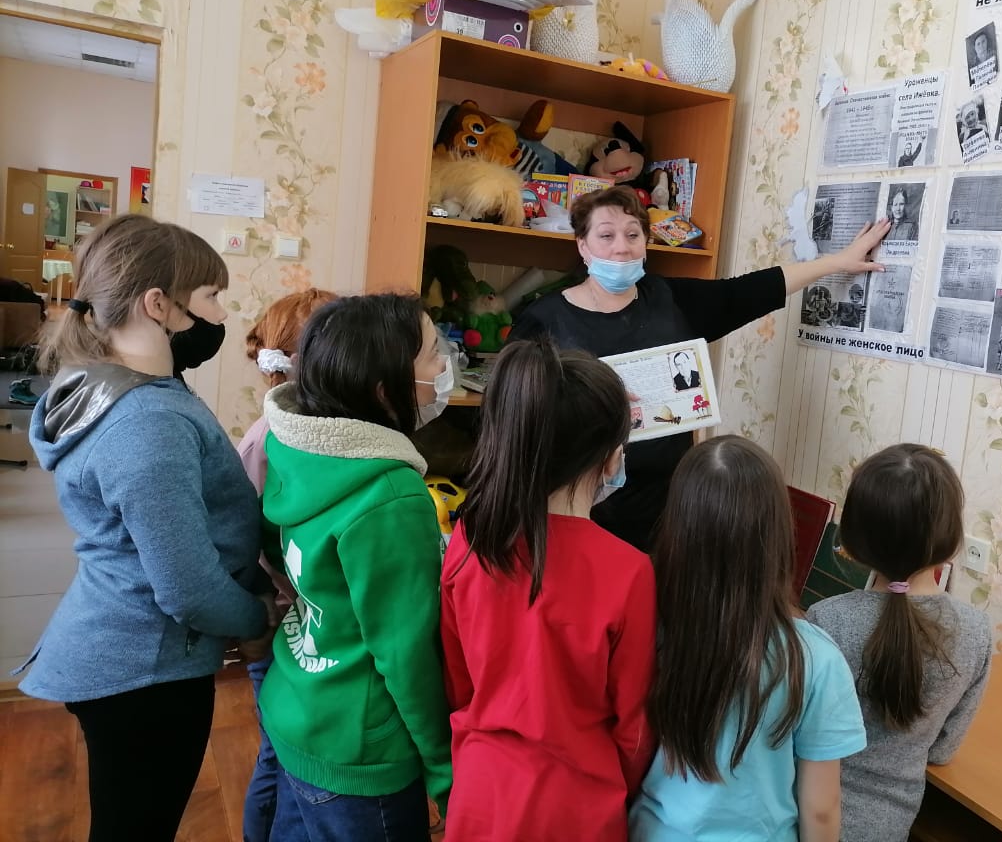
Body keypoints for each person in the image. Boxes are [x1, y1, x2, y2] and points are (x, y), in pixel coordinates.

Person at [22, 214, 277, 842]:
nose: (222, 312)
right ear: (158, 304)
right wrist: (257, 618)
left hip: (128, 651)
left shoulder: (111, 387)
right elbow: (188, 586)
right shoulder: (147, 421)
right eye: (211, 296)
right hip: (141, 668)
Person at [510, 186, 890, 550]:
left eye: (633, 234)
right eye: (606, 235)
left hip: (666, 508)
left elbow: (750, 291)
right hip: (574, 508)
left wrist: (837, 262)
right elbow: (514, 413)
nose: (622, 247)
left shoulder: (669, 299)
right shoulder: (544, 320)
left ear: (646, 242)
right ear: (583, 246)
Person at [439, 338, 657, 841]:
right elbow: (634, 728)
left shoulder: (469, 540)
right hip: (578, 807)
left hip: (480, 792)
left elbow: (458, 681)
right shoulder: (630, 571)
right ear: (610, 458)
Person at [258, 293, 455, 841]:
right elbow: (406, 655)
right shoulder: (390, 493)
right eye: (433, 353)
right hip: (360, 748)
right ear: (385, 390)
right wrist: (445, 772)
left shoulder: (295, 446)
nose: (445, 365)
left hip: (296, 702)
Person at [631, 436, 866, 841]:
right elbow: (821, 809)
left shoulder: (643, 628)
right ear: (778, 534)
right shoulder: (817, 658)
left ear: (677, 527)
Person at [808, 444, 991, 842]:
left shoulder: (826, 621)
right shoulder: (977, 632)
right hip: (891, 827)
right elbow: (942, 752)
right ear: (951, 539)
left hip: (810, 819)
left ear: (853, 539)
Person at [235, 287, 338, 842]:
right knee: (277, 756)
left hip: (301, 620)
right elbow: (252, 543)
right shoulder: (268, 442)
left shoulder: (311, 433)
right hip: (281, 622)